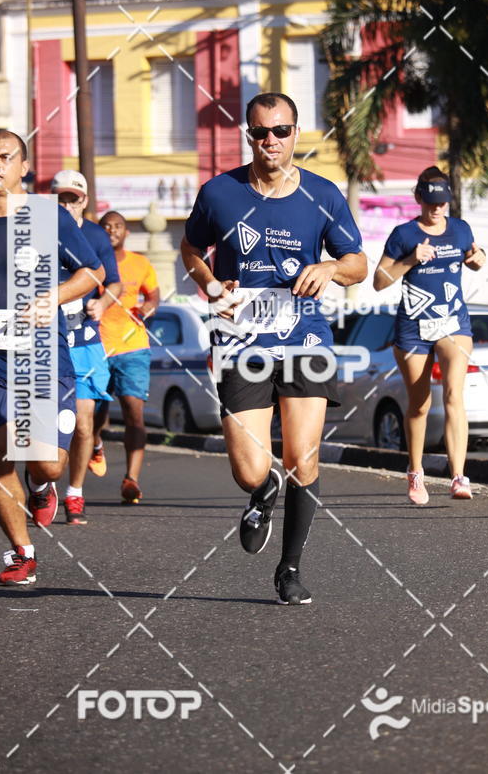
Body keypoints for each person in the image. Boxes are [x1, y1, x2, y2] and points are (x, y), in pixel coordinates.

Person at [181, 91, 366, 605]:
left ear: (296, 134)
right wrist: (211, 287)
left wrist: (329, 268)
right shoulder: (220, 193)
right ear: (249, 134)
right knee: (250, 469)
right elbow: (191, 248)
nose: (270, 141)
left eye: (280, 131)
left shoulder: (323, 195)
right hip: (240, 342)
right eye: (260, 132)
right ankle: (262, 494)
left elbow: (358, 264)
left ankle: (289, 570)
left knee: (303, 459)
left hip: (306, 337)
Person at [0, 129, 104, 584]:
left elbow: (92, 272)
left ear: (24, 166)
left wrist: (50, 298)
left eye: (4, 157)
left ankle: (41, 484)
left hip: (40, 355)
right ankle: (23, 554)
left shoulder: (45, 217)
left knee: (46, 462)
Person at [373, 166, 486, 505]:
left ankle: (458, 476)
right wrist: (411, 259)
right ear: (418, 198)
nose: (437, 209)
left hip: (453, 323)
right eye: (431, 202)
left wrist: (479, 258)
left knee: (454, 395)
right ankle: (416, 472)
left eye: (443, 203)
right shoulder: (404, 234)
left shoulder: (461, 229)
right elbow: (379, 281)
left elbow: (474, 255)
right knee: (420, 405)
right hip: (413, 329)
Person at [50, 170, 122, 524]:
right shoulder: (33, 229)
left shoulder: (95, 234)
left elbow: (114, 283)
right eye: (60, 198)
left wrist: (102, 304)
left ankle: (74, 492)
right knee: (38, 425)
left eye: (73, 198)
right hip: (42, 337)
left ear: (84, 200)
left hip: (82, 339)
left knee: (82, 422)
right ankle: (42, 481)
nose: (67, 205)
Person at [92, 212, 160, 504]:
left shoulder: (140, 263)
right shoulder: (91, 262)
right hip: (96, 346)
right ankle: (94, 443)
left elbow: (154, 295)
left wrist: (148, 308)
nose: (112, 231)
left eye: (117, 226)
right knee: (93, 414)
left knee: (134, 413)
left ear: (125, 232)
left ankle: (131, 479)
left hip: (133, 346)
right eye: (106, 226)